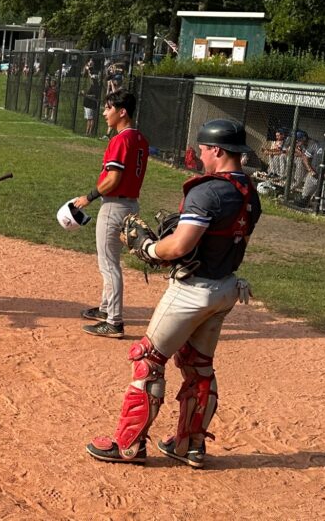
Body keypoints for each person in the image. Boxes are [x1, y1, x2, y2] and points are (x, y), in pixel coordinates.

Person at [86, 119, 262, 468]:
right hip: (226, 287)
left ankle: (128, 445)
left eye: (202, 149)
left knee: (147, 360)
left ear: (217, 151)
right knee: (199, 366)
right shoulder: (248, 191)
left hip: (193, 291)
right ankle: (189, 445)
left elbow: (180, 245)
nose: (198, 155)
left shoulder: (208, 191)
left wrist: (151, 249)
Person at [72, 91, 149, 338]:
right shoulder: (140, 138)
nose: (105, 113)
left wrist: (88, 197)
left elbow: (113, 179)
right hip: (130, 205)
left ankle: (114, 321)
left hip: (114, 206)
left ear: (122, 111)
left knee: (109, 265)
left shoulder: (120, 140)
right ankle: (106, 310)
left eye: (108, 108)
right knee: (111, 262)